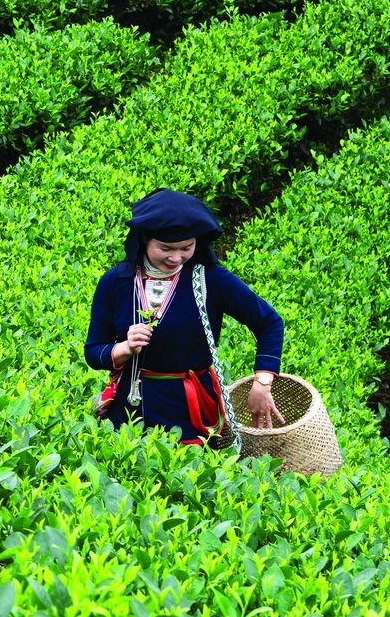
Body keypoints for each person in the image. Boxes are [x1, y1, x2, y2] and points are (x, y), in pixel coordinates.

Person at [85, 188, 286, 442]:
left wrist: (263, 380)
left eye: (186, 247)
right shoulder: (116, 282)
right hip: (128, 410)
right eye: (166, 248)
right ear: (145, 239)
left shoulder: (210, 279)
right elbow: (93, 351)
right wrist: (124, 348)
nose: (176, 257)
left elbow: (269, 322)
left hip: (190, 411)